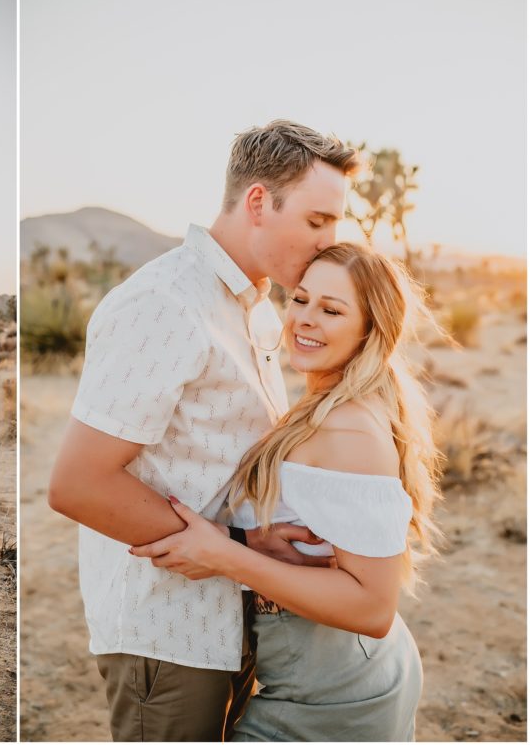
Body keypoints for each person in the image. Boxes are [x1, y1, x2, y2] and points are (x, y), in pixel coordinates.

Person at [48, 120, 359, 741]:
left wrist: (249, 543)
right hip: (166, 631)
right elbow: (79, 485)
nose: (331, 242)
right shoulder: (164, 303)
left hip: (232, 612)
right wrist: (237, 549)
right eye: (318, 221)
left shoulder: (260, 313)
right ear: (257, 203)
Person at [130, 242, 442, 741]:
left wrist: (223, 555)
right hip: (330, 668)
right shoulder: (323, 405)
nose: (305, 319)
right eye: (300, 300)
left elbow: (374, 609)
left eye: (332, 309)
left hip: (336, 688)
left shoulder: (349, 429)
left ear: (371, 330)